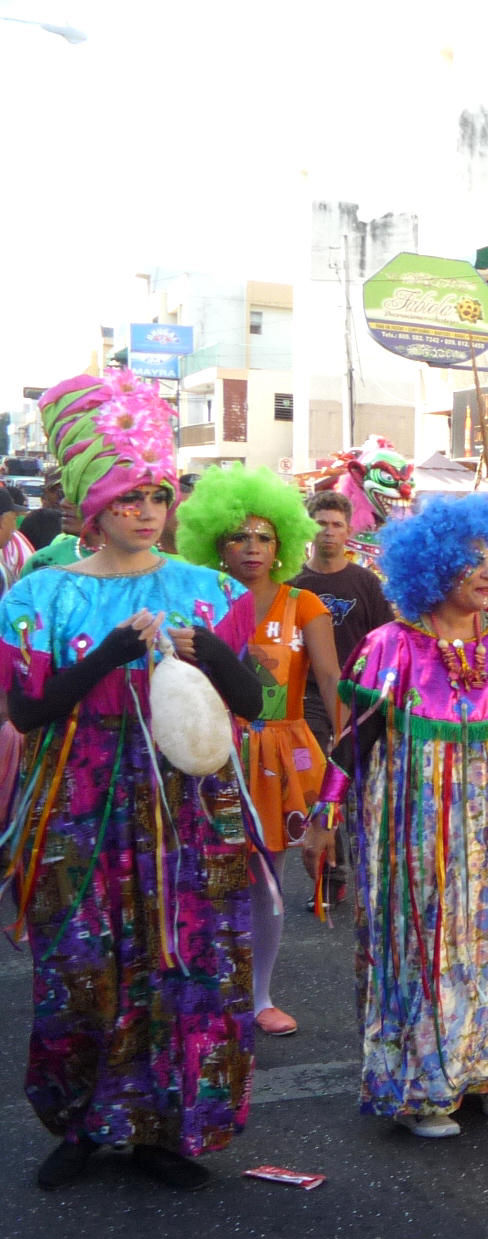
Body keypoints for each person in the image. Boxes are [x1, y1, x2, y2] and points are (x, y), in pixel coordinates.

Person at [2, 371, 263, 1192]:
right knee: (78, 960)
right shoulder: (38, 596)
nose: (147, 510)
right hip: (78, 801)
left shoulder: (212, 590)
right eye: (128, 497)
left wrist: (210, 653)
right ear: (93, 504)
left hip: (186, 801)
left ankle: (163, 1127)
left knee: (183, 961)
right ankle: (82, 1124)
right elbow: (29, 711)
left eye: (156, 494)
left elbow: (252, 702)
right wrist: (109, 656)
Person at [303, 494, 488, 1138]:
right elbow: (352, 740)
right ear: (432, 566)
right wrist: (325, 814)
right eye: (469, 561)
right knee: (426, 945)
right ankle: (423, 1084)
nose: (486, 572)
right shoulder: (391, 646)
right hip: (413, 832)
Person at [178, 466, 341, 1038]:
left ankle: (260, 995)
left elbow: (328, 678)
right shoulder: (197, 597)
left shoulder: (304, 603)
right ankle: (207, 989)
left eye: (264, 536)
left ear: (281, 544)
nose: (252, 548)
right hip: (209, 751)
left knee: (266, 876)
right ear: (216, 541)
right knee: (205, 876)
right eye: (239, 536)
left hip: (279, 753)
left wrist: (345, 755)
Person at [294, 490, 394, 745]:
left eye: (337, 525)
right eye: (321, 523)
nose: (329, 531)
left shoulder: (367, 582)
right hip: (307, 695)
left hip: (357, 691)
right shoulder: (292, 585)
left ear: (348, 531)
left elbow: (384, 641)